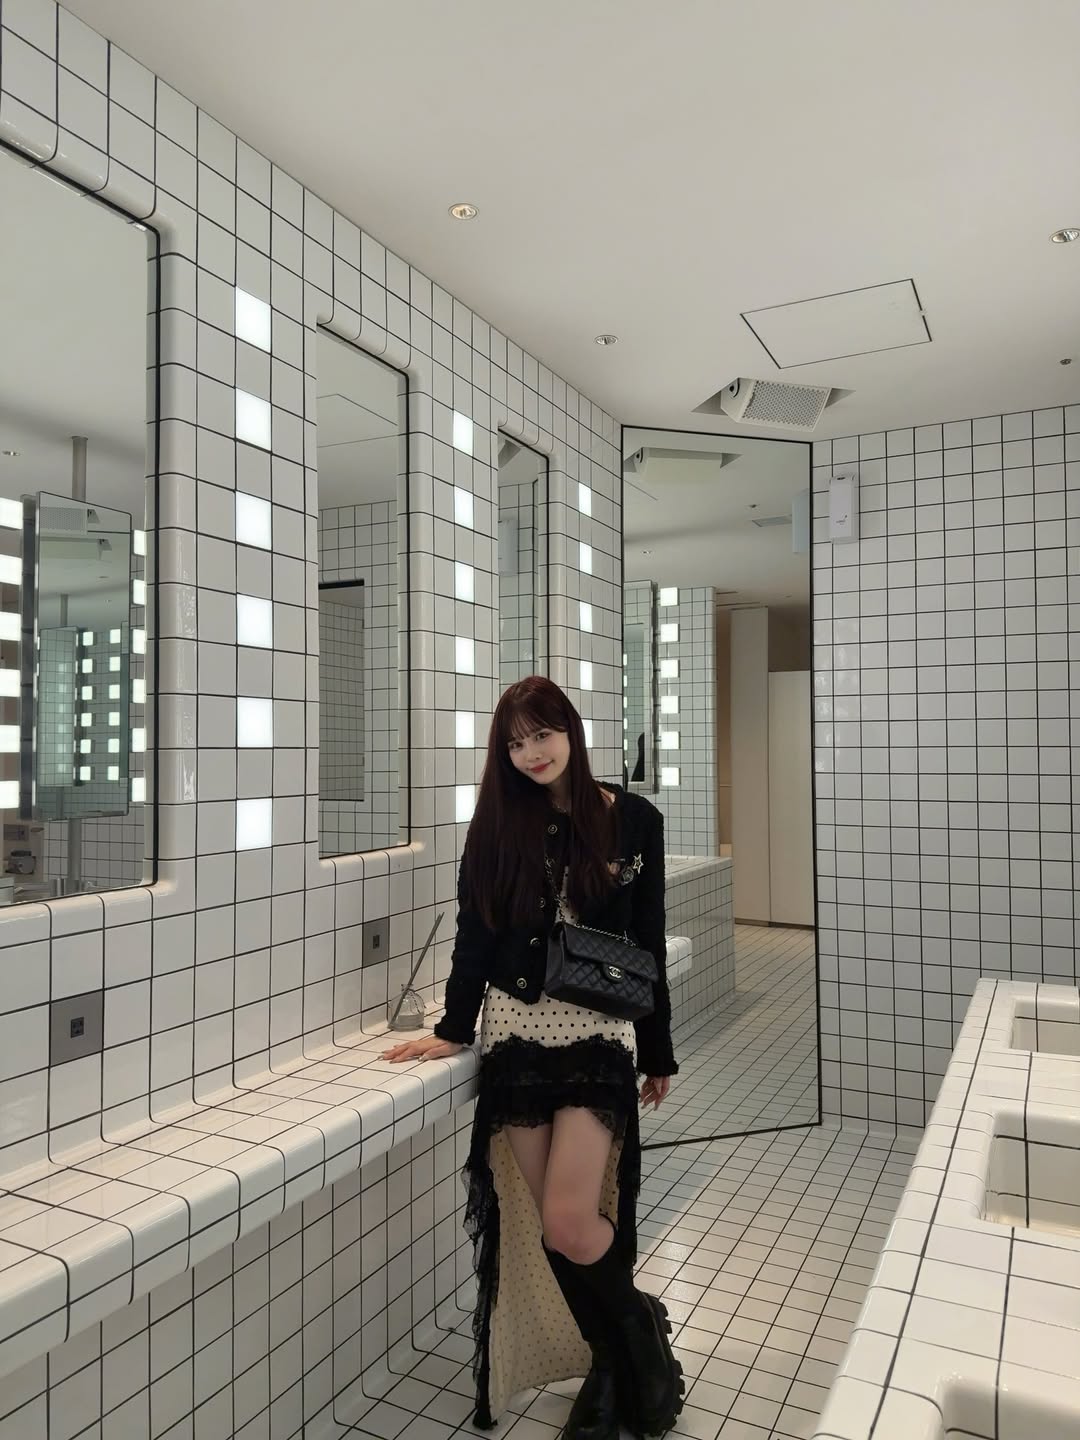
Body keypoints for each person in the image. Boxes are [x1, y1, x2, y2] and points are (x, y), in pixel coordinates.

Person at [384, 676, 682, 1439]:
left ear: (570, 731)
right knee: (552, 1230)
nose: (531, 753)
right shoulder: (496, 826)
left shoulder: (633, 820)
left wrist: (658, 1050)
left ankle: (635, 1338)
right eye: (515, 743)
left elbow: (646, 938)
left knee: (572, 1222)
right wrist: (454, 1027)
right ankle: (616, 1357)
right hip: (517, 1036)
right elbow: (474, 933)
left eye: (542, 734)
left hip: (599, 1036)